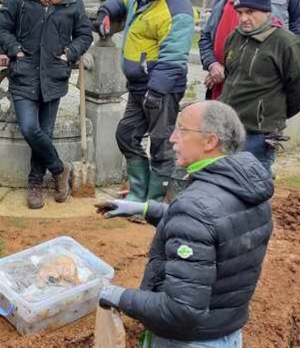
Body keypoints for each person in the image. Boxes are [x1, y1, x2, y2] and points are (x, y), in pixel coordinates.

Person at [96, 101, 273, 347]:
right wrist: (145, 208)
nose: (172, 138)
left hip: (187, 340)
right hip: (226, 333)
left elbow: (181, 310)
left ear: (210, 141)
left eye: (181, 130)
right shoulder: (247, 188)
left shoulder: (195, 208)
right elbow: (214, 224)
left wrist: (118, 296)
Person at [0, 0, 93, 209]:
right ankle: (60, 169)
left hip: (54, 76)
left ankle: (35, 183)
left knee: (44, 133)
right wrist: (14, 49)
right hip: (24, 74)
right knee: (29, 127)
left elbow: (85, 34)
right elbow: (1, 27)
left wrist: (69, 53)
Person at [97, 0, 195, 202]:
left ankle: (154, 201)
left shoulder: (177, 11)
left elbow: (173, 58)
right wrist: (105, 14)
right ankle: (138, 193)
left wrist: (156, 91)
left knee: (162, 144)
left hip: (162, 90)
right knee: (126, 135)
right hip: (139, 87)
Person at [220, 0, 300, 172]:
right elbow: (230, 78)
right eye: (240, 12)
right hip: (228, 127)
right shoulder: (234, 38)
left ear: (266, 11)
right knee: (225, 183)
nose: (244, 18)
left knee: (253, 186)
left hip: (259, 134)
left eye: (250, 12)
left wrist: (270, 115)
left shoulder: (287, 43)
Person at [199, 0, 258, 100]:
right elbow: (205, 38)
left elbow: (259, 53)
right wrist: (212, 65)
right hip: (217, 91)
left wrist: (224, 73)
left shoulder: (263, 12)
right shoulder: (221, 6)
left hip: (244, 97)